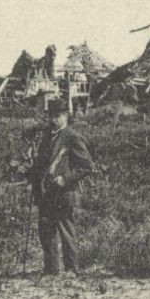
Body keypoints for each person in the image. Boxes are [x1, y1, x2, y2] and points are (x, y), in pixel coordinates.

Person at [26, 96, 95, 274]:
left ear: (66, 116)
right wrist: (33, 180)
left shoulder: (72, 137)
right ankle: (51, 269)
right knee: (46, 232)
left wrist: (65, 178)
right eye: (51, 116)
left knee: (66, 231)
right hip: (46, 192)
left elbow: (86, 166)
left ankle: (72, 269)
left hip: (64, 192)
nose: (53, 119)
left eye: (58, 116)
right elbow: (41, 163)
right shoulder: (47, 137)